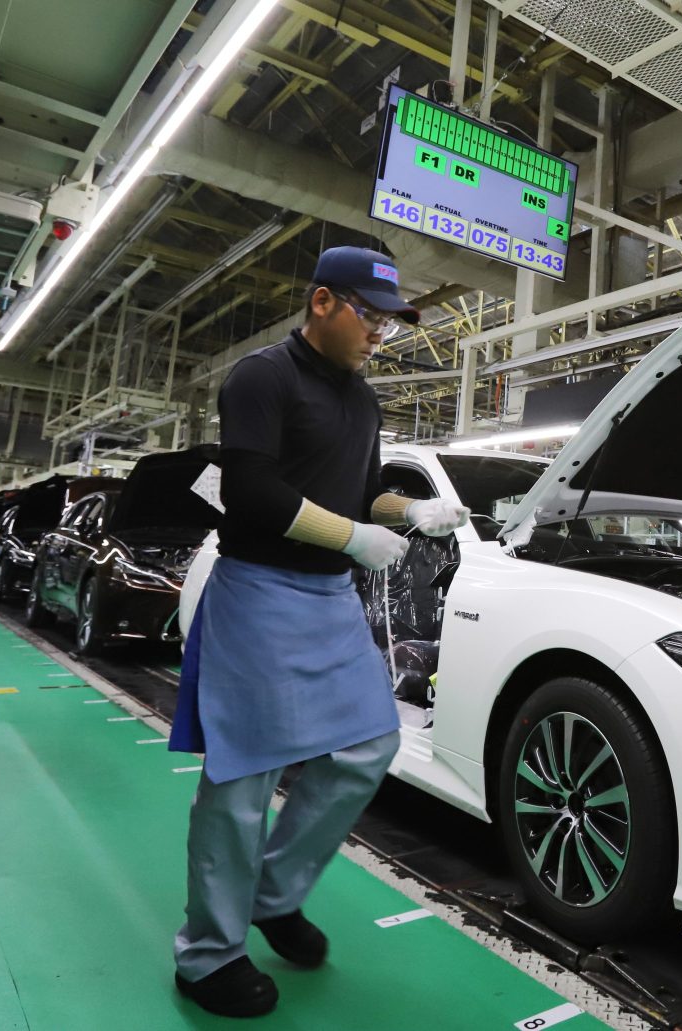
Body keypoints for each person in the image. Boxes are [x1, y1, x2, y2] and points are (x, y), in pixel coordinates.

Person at [168, 247, 468, 1019]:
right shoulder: (262, 377)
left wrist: (410, 513)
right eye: (367, 314)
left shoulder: (363, 402)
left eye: (388, 320)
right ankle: (208, 955)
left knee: (370, 742)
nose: (378, 331)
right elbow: (255, 491)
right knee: (243, 781)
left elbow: (363, 493)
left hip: (329, 597)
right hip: (260, 592)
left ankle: (273, 895)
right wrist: (352, 539)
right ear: (323, 302)